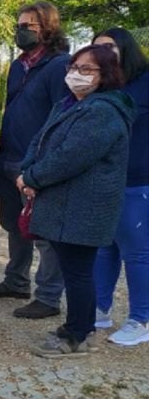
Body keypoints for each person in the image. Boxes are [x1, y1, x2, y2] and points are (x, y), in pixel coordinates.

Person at [18, 45, 134, 357]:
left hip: (83, 207)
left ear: (106, 75)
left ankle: (78, 335)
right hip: (63, 204)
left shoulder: (103, 111)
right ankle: (77, 326)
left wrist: (33, 178)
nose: (76, 74)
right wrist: (27, 170)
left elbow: (71, 157)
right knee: (73, 270)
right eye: (74, 66)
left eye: (87, 70)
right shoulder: (67, 104)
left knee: (79, 272)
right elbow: (39, 141)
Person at [0, 2, 70, 319]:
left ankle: (48, 297)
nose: (21, 30)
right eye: (20, 24)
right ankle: (16, 280)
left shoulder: (59, 65)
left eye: (30, 25)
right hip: (9, 155)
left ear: (48, 28)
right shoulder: (17, 65)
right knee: (14, 225)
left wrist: (43, 163)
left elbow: (60, 115)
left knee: (43, 233)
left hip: (35, 162)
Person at [92, 27, 149, 346]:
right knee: (104, 248)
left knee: (137, 252)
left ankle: (140, 319)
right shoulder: (102, 85)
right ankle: (100, 309)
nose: (102, 52)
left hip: (139, 180)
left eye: (109, 46)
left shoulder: (145, 82)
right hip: (106, 180)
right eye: (97, 47)